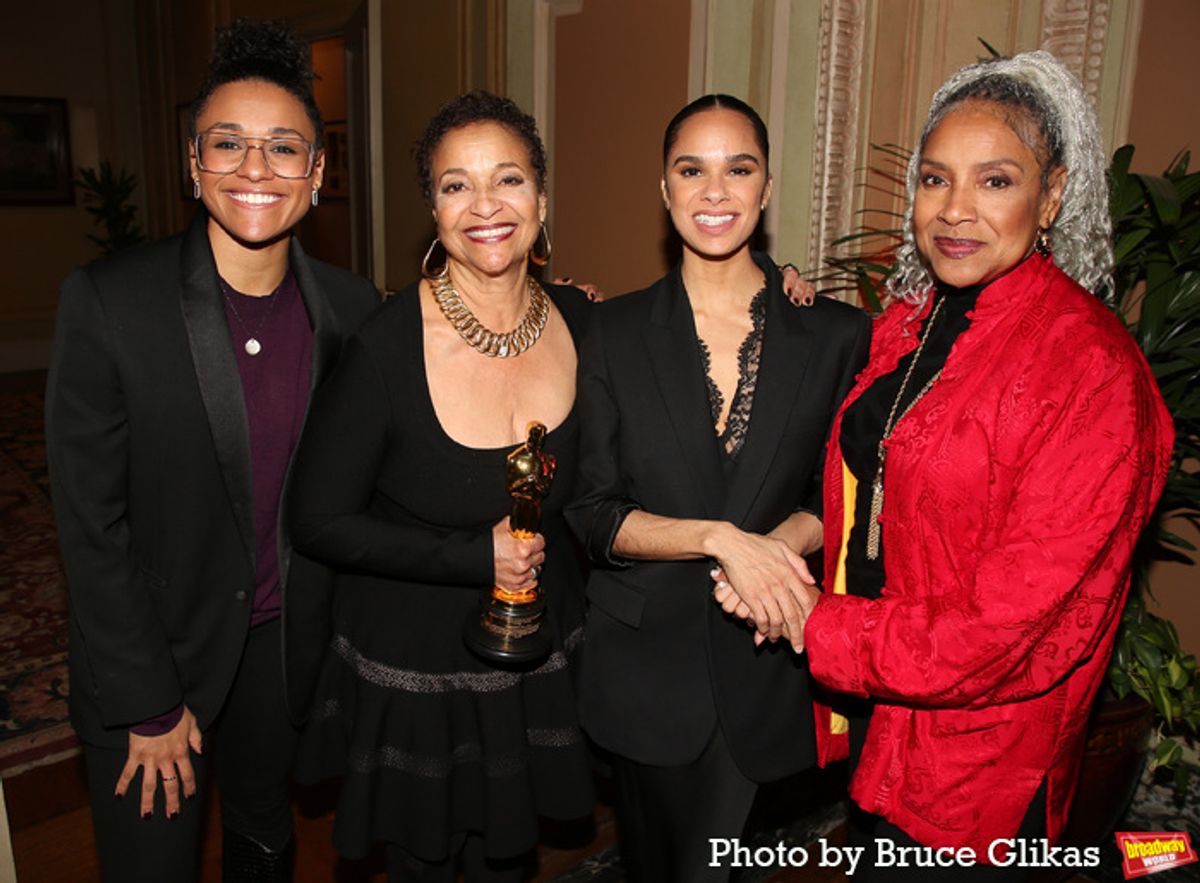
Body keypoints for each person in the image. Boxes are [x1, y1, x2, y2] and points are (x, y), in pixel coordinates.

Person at [717, 51, 1174, 879]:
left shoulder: (1092, 373)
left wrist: (814, 621)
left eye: (995, 181)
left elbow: (1006, 631)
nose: (955, 210)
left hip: (978, 762)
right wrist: (784, 550)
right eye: (935, 179)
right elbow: (875, 487)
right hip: (879, 714)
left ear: (1053, 195)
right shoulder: (908, 325)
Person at [45, 18, 379, 882]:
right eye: (228, 143)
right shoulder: (112, 302)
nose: (255, 169)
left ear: (317, 171)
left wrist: (556, 309)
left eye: (283, 148)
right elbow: (89, 525)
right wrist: (149, 700)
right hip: (153, 657)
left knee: (264, 841)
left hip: (282, 651)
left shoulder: (353, 308)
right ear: (193, 164)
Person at [286, 91, 594, 882]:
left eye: (509, 179)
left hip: (533, 659)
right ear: (434, 209)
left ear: (542, 197)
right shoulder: (385, 349)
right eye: (457, 185)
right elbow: (316, 518)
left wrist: (783, 282)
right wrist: (472, 556)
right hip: (416, 669)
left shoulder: (584, 322)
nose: (485, 205)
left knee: (508, 861)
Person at [565, 94, 871, 883]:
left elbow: (843, 495)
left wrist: (775, 549)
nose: (714, 191)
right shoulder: (613, 332)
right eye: (691, 170)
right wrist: (720, 539)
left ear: (766, 187)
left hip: (766, 660)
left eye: (738, 169)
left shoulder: (836, 335)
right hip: (644, 668)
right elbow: (590, 512)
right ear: (664, 189)